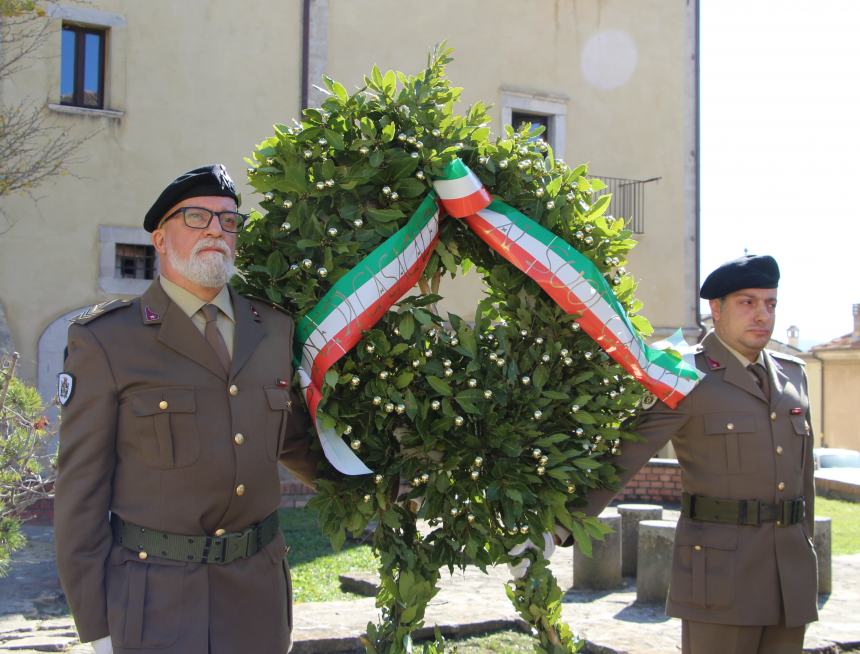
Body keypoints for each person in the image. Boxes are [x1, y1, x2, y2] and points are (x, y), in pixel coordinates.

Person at [54, 164, 319, 654]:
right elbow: (80, 496)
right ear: (160, 236)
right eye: (196, 217)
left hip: (257, 599)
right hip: (155, 602)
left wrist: (374, 487)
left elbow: (292, 440)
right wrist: (96, 627)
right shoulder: (108, 341)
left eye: (229, 220)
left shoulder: (274, 329)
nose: (216, 229)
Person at [583, 254, 817, 654]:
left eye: (770, 303)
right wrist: (556, 528)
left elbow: (804, 479)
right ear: (716, 308)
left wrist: (805, 549)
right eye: (748, 302)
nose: (763, 314)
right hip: (722, 574)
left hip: (789, 573)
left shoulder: (792, 375)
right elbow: (623, 457)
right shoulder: (684, 374)